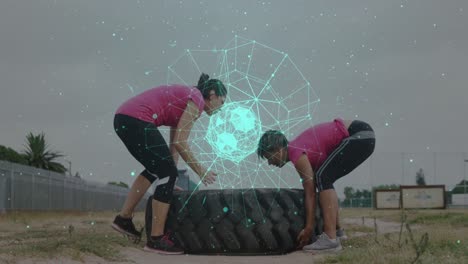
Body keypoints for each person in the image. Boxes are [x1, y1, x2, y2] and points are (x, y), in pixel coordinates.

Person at [111, 73, 227, 254]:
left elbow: (175, 144)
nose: (221, 107)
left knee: (156, 169)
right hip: (135, 119)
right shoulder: (196, 99)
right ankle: (156, 240)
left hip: (123, 118)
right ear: (212, 95)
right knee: (166, 172)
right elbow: (182, 142)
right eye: (222, 102)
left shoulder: (187, 99)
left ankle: (123, 219)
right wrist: (200, 170)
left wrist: (170, 180)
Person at [257, 118, 375, 253]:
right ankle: (337, 233)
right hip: (363, 136)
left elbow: (310, 193)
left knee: (322, 177)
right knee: (325, 178)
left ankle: (330, 240)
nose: (270, 163)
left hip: (359, 134)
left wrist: (308, 228)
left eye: (269, 157)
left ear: (278, 150)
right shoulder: (303, 151)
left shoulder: (296, 152)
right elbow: (320, 188)